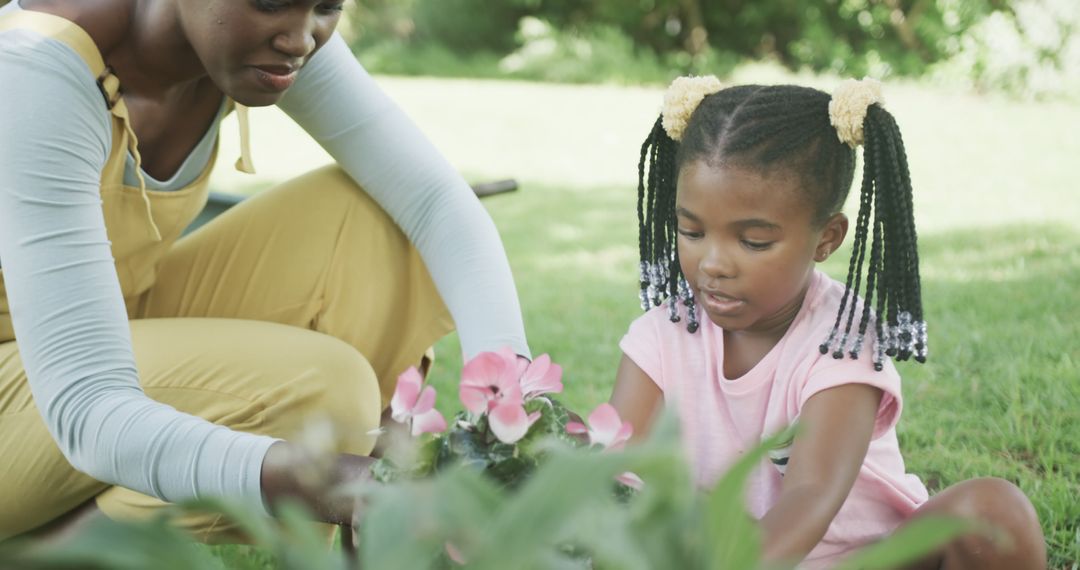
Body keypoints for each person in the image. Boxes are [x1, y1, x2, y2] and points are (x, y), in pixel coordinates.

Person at [0, 0, 531, 542]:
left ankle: (365, 547)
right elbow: (89, 411)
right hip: (35, 389)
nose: (300, 39)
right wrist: (361, 484)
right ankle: (53, 551)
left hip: (105, 323)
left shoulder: (251, 39)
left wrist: (511, 397)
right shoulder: (35, 66)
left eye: (327, 6)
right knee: (323, 389)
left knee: (373, 215)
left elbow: (434, 202)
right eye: (272, 2)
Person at [609, 76, 1046, 569]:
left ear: (826, 238)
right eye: (691, 230)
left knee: (993, 511)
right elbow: (617, 470)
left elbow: (809, 499)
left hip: (853, 560)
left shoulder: (840, 340)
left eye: (753, 241)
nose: (713, 263)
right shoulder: (660, 335)